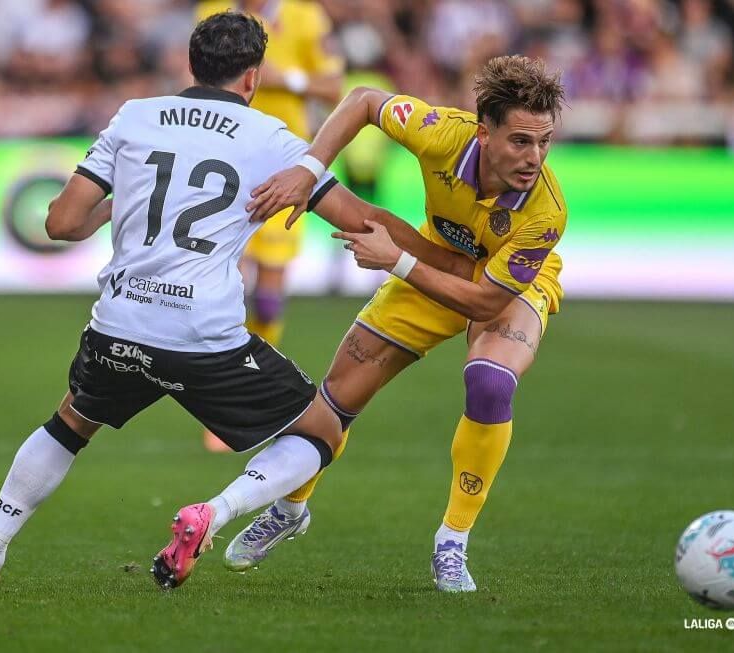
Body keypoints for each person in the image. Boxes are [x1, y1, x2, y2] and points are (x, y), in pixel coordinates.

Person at [0, 11, 471, 591]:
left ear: (190, 63)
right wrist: (447, 259)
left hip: (119, 323)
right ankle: (216, 513)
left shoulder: (136, 116)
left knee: (71, 420)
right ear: (252, 78)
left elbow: (62, 223)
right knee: (323, 431)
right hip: (204, 336)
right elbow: (363, 219)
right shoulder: (271, 138)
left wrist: (121, 200)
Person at [228, 55, 568, 592]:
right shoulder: (443, 134)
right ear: (484, 133)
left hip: (504, 286)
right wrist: (310, 167)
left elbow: (483, 301)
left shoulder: (546, 211)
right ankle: (290, 509)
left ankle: (452, 541)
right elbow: (362, 98)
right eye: (521, 141)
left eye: (544, 141)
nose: (535, 157)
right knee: (335, 401)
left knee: (489, 381)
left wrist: (397, 261)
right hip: (434, 260)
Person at [196, 0, 344, 452]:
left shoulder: (306, 18)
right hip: (225, 165)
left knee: (268, 295)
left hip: (283, 165)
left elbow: (334, 87)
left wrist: (289, 79)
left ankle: (250, 393)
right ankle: (221, 407)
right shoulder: (212, 11)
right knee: (226, 286)